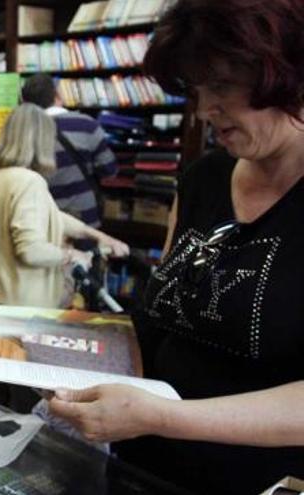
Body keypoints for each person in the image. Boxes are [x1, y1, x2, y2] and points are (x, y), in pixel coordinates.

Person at [47, 1, 304, 492]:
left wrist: (166, 417)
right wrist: (70, 360)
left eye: (222, 86)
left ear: (284, 72)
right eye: (197, 90)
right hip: (137, 466)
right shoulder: (203, 180)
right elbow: (159, 315)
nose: (205, 110)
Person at [0, 103, 129, 308]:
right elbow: (31, 251)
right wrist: (72, 255)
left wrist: (98, 236)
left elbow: (52, 215)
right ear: (41, 140)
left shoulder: (0, 177)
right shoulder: (29, 181)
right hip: (23, 305)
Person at [21, 73, 118, 228]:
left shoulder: (21, 131)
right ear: (57, 96)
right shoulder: (86, 124)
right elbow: (109, 170)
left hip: (40, 220)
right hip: (84, 217)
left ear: (25, 103)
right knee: (88, 252)